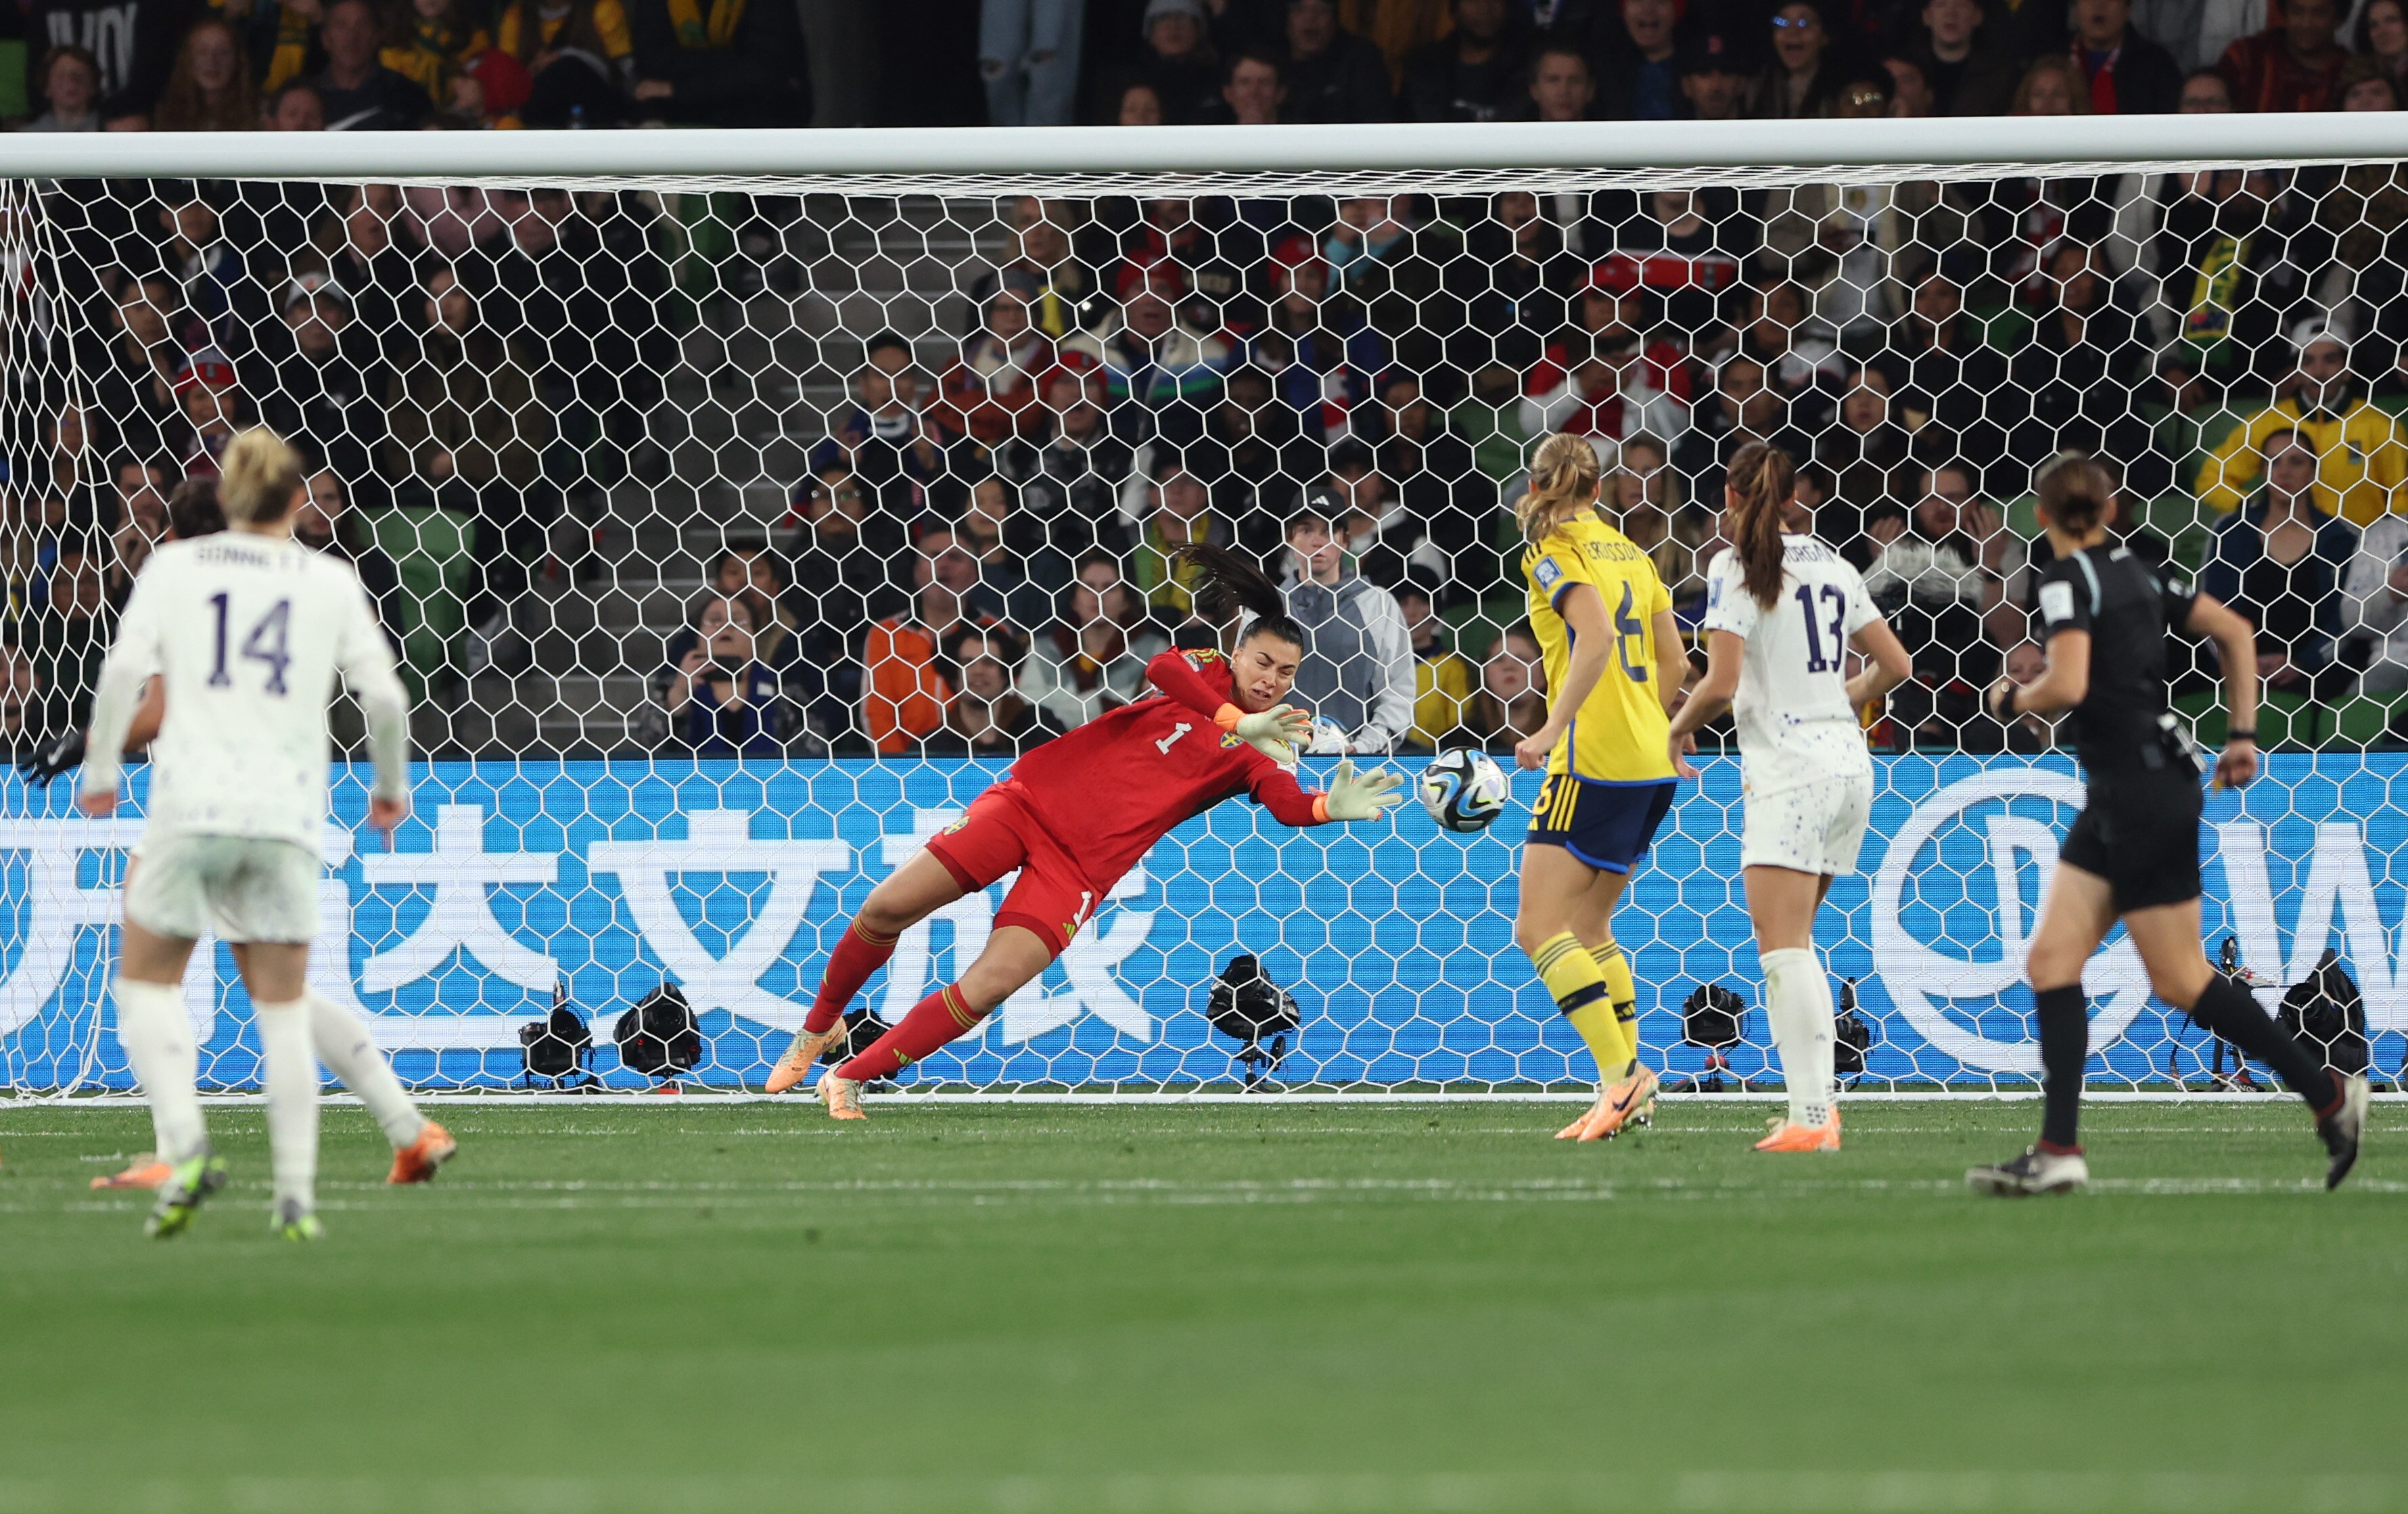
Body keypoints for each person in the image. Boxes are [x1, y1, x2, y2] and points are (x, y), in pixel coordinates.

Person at [761, 545, 1402, 1116]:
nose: (1272, 681)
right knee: (885, 907)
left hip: (1081, 871)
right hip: (1028, 804)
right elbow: (1162, 673)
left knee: (988, 986)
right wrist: (1238, 718)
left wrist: (1327, 808)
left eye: (1287, 674)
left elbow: (1288, 805)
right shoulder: (1204, 671)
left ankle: (849, 1078)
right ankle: (819, 1027)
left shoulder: (1273, 741)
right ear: (1238, 652)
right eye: (1264, 662)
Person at [25, 475, 448, 1197]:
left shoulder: (182, 585)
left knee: (148, 979)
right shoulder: (303, 586)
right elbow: (378, 692)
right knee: (277, 990)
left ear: (177, 537)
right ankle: (409, 1128)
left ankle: (175, 1148)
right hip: (283, 809)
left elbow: (156, 706)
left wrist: (88, 746)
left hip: (197, 808)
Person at [1967, 453, 2367, 1195]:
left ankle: (2327, 1096)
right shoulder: (2138, 570)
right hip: (2135, 786)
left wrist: (2007, 701)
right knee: (2052, 963)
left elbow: (2069, 681)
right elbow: (2235, 632)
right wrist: (2241, 735)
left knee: (2178, 977)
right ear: (2110, 509)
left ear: (2042, 516)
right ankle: (2058, 1150)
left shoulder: (2061, 578)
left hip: (2138, 791)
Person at [1664, 442, 1912, 1151]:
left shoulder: (1732, 565)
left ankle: (1813, 1119)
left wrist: (1673, 732)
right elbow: (1895, 665)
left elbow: (1717, 682)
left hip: (1792, 772)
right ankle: (1814, 1111)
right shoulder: (1833, 563)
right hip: (1849, 767)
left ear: (1729, 494)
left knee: (1781, 952)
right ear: (1794, 496)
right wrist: (1839, 697)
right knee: (1794, 944)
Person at [1508, 432, 1686, 1145]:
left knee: (1536, 929)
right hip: (1649, 760)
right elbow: (1672, 659)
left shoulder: (1553, 551)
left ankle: (1621, 1079)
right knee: (1589, 928)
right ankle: (1629, 1087)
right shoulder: (1632, 552)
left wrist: (1551, 729)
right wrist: (1660, 727)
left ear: (1539, 482)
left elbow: (1595, 637)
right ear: (1597, 487)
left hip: (1592, 759)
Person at [1280, 502, 1414, 756]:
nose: (1317, 542)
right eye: (1306, 531)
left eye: (1328, 532)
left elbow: (1397, 689)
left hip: (1357, 762)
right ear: (1290, 538)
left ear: (1345, 540)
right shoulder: (1266, 605)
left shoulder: (1377, 603)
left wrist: (1363, 747)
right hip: (1281, 763)